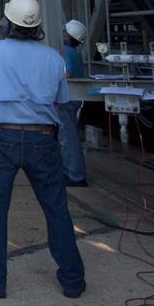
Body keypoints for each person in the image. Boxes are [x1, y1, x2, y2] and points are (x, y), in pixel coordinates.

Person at [0, 0, 86, 301]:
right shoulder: (53, 58)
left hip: (1, 137)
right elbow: (61, 101)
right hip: (43, 138)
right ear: (38, 27)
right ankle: (72, 279)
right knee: (56, 208)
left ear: (7, 23)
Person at [60, 19, 89, 187]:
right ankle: (69, 171)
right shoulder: (75, 53)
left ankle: (75, 175)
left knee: (68, 139)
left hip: (67, 98)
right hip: (75, 98)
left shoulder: (65, 52)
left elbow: (67, 73)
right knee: (68, 137)